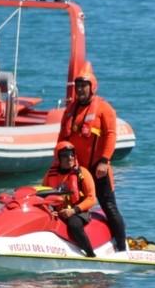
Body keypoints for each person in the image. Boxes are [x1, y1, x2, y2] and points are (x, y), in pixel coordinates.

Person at [57, 61, 127, 252]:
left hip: (99, 169)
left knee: (109, 208)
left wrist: (104, 161)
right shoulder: (70, 111)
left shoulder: (105, 109)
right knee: (69, 206)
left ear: (92, 87)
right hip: (76, 171)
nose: (79, 90)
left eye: (83, 86)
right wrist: (57, 163)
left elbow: (111, 135)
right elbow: (62, 139)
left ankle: (122, 247)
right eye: (77, 86)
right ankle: (77, 245)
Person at [42, 141, 97, 257]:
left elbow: (92, 199)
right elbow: (43, 198)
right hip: (58, 212)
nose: (69, 158)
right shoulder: (49, 175)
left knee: (74, 225)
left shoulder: (83, 173)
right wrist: (50, 211)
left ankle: (91, 254)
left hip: (79, 212)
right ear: (58, 158)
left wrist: (73, 211)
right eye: (65, 155)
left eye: (72, 155)